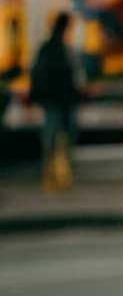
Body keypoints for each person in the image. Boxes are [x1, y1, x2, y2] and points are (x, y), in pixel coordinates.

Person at [29, 12, 83, 191]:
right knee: (64, 134)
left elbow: (37, 73)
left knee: (52, 134)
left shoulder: (48, 48)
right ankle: (60, 172)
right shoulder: (62, 49)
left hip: (52, 99)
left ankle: (53, 172)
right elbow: (71, 75)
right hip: (62, 98)